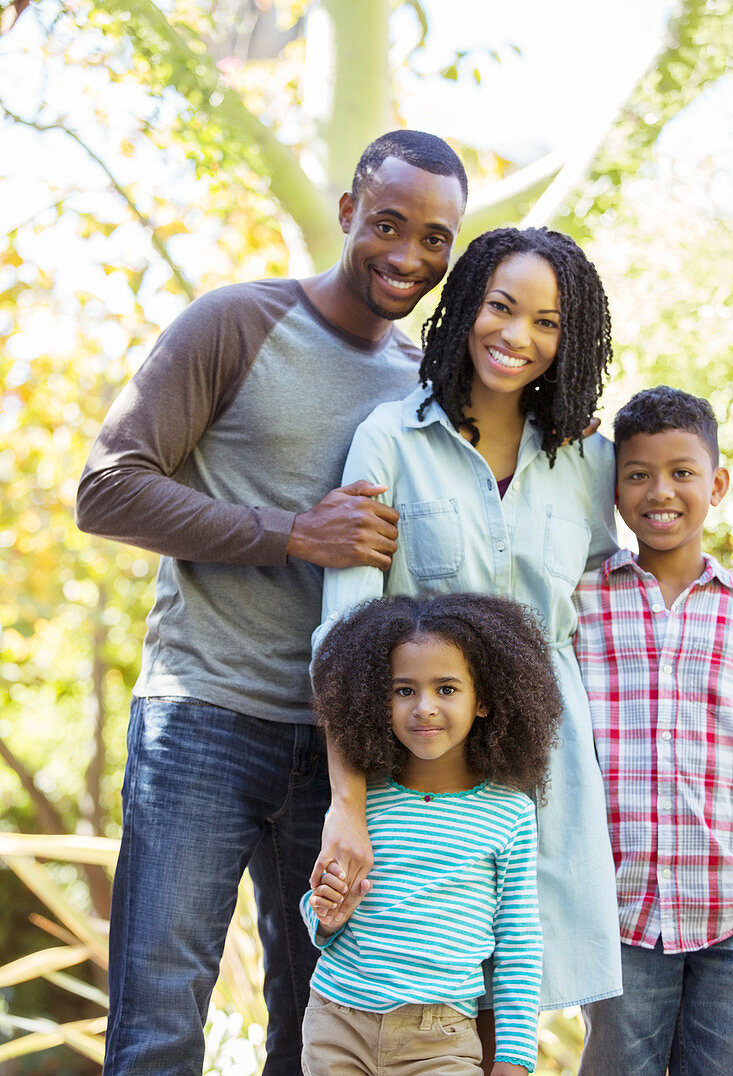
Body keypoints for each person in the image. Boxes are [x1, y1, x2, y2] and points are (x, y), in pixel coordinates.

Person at [74, 130, 467, 1076]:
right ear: (346, 213)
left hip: (342, 753)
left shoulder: (422, 383)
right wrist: (292, 531)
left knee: (317, 1030)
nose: (408, 256)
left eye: (434, 239)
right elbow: (107, 488)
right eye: (387, 224)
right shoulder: (234, 323)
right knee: (160, 1024)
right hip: (202, 718)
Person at [312, 227, 624, 1051]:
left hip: (544, 773)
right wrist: (347, 805)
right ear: (466, 307)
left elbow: (611, 598)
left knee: (515, 1007)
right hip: (419, 777)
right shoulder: (388, 439)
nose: (518, 337)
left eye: (548, 322)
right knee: (414, 998)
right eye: (500, 307)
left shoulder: (588, 461)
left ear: (571, 339)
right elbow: (341, 639)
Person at [302, 592, 562, 1075]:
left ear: (483, 701)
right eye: (404, 690)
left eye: (446, 689)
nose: (424, 707)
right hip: (337, 1022)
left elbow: (518, 942)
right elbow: (320, 908)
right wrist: (325, 915)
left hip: (440, 1038)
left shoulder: (509, 814)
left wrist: (515, 1057)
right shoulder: (362, 802)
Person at [573, 385, 732, 1076]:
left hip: (726, 910)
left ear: (717, 484)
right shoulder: (578, 602)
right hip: (618, 915)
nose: (658, 491)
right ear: (612, 490)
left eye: (680, 472)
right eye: (636, 474)